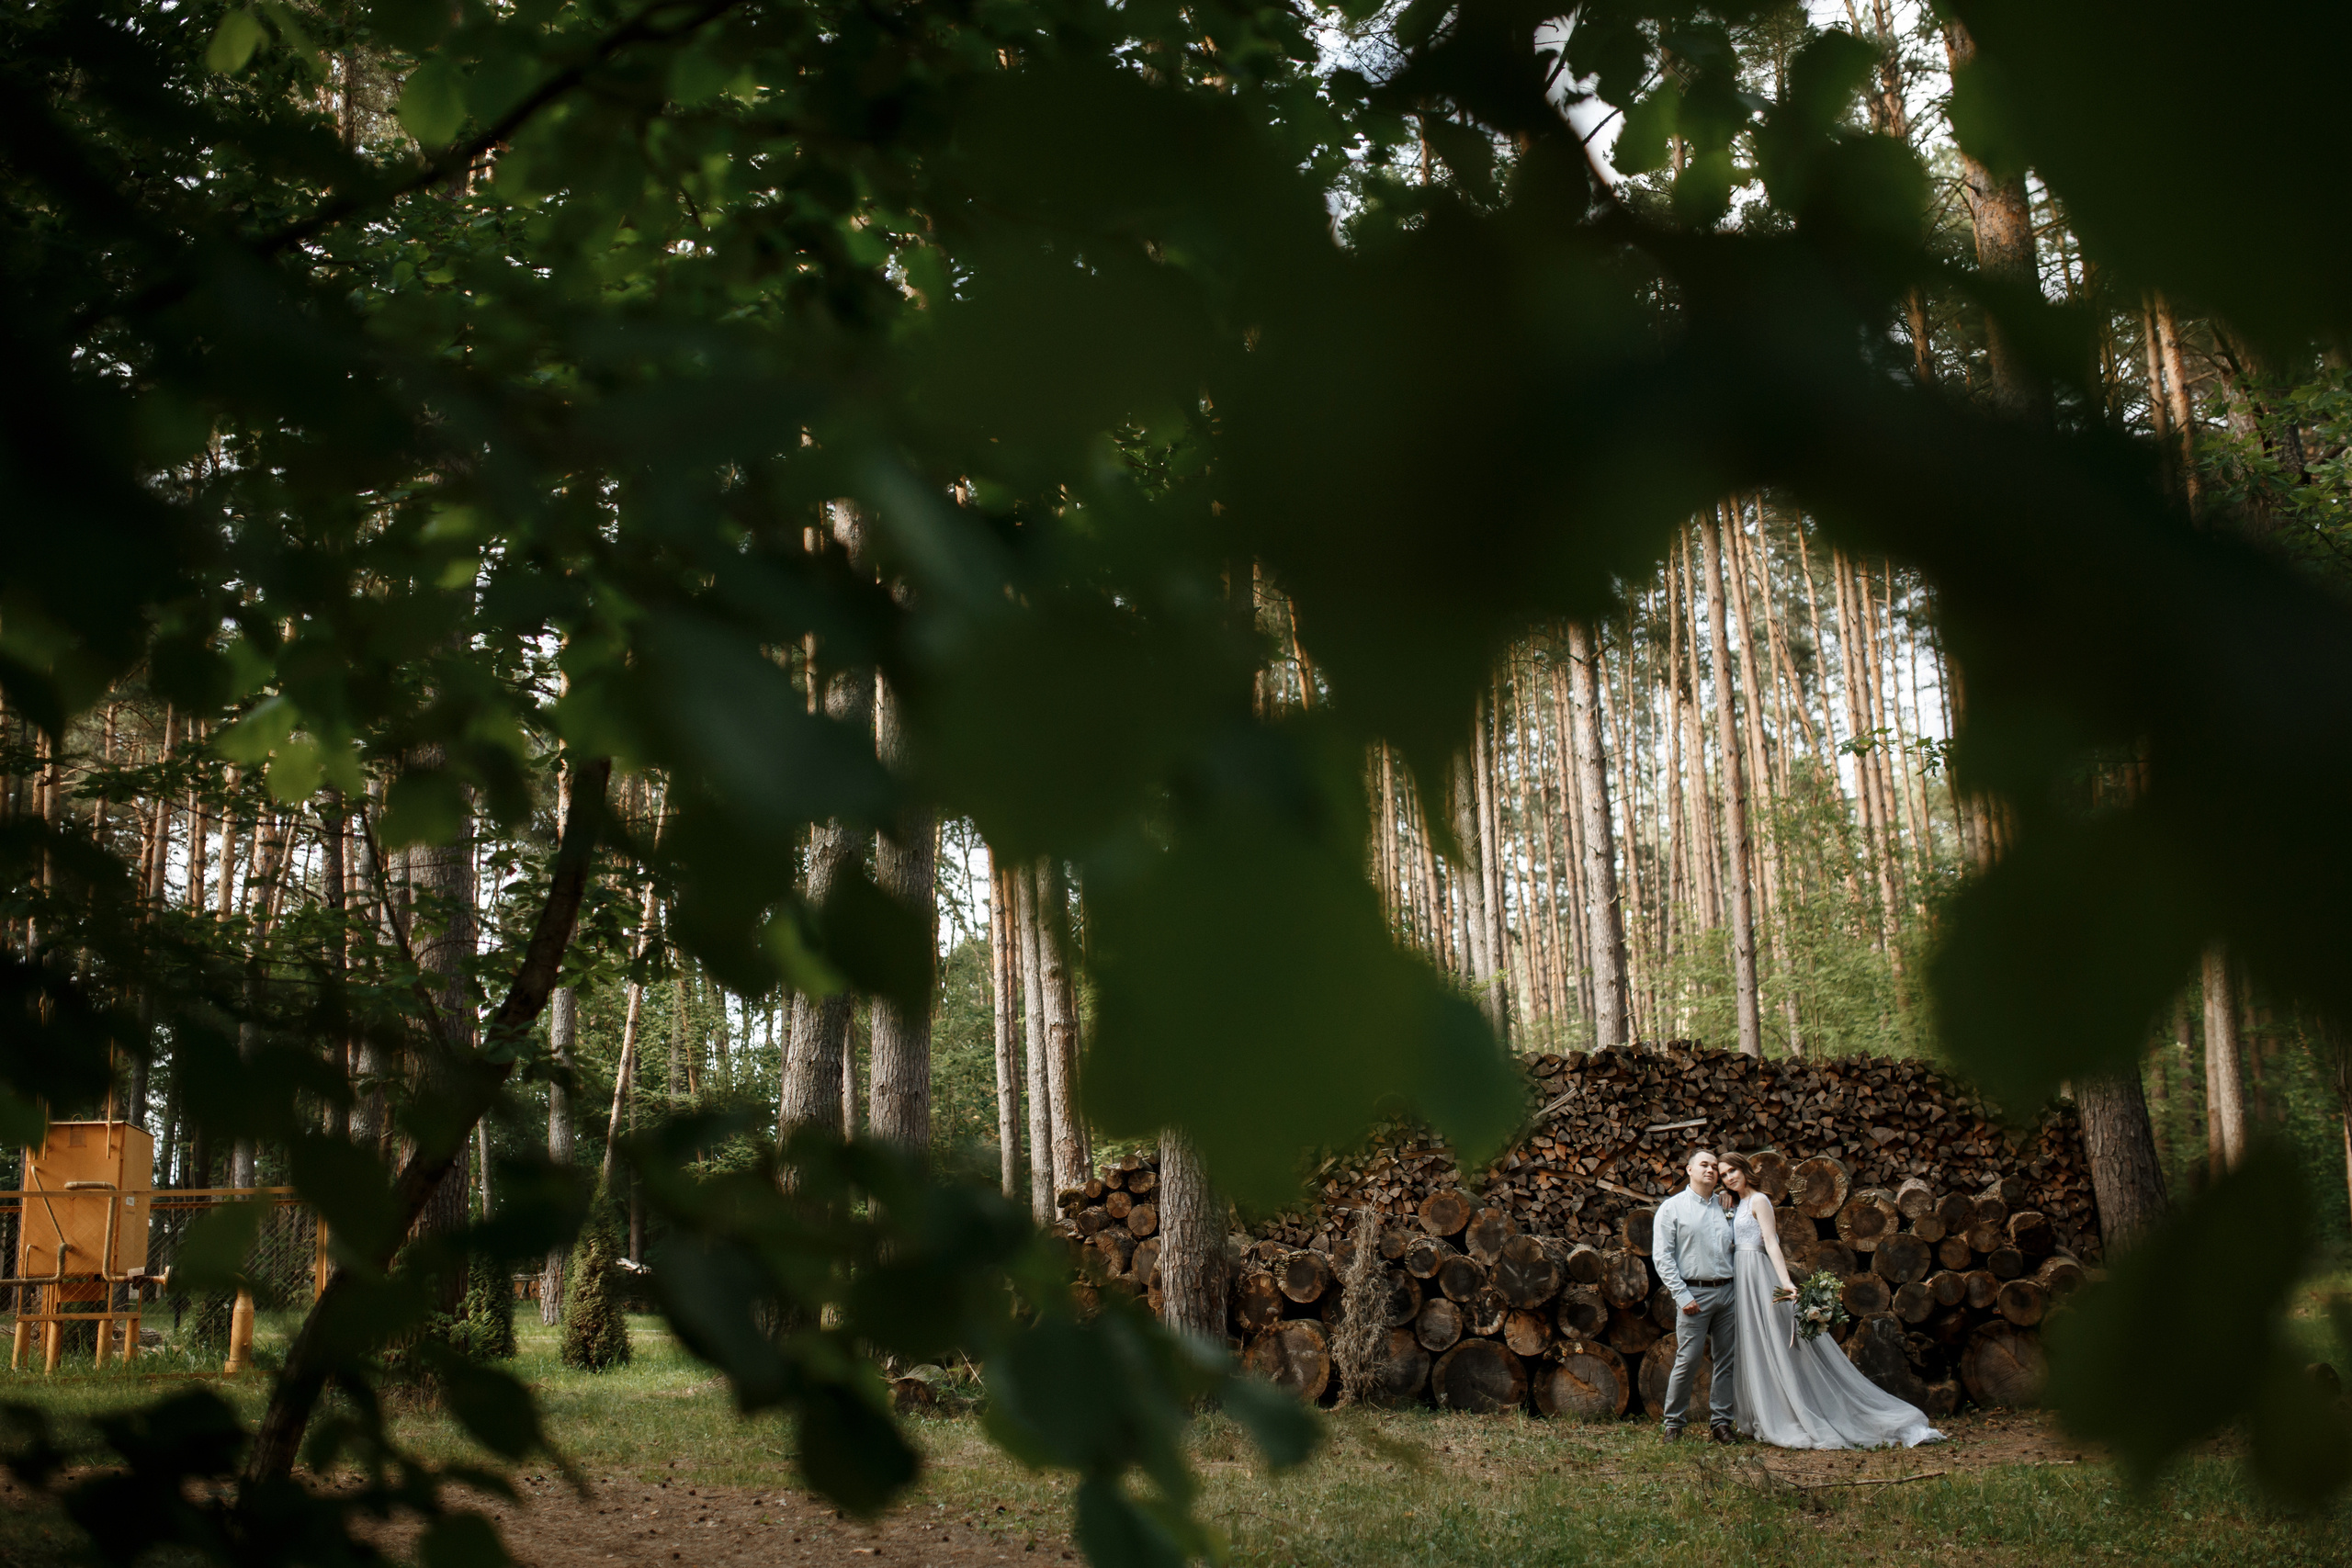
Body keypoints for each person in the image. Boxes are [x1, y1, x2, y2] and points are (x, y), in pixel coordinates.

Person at [1716, 1151, 1945, 1450]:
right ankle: (1762, 1410)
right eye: (1723, 1175)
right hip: (1739, 1276)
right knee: (1752, 1341)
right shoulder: (1736, 1202)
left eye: (1733, 1170)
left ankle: (1795, 1411)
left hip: (1758, 1272)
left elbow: (1771, 1241)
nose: (1730, 1177)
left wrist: (1785, 1281)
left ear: (1744, 1169)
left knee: (1774, 1338)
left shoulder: (1759, 1200)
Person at [1651, 1147, 1737, 1444]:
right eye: (1704, 1165)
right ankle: (1673, 1424)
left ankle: (1721, 1423)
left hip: (1728, 1293)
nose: (1711, 1170)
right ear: (1689, 1170)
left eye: (1715, 1166)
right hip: (1694, 1295)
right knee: (1687, 1360)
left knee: (1726, 1359)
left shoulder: (1727, 1206)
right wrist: (1681, 1294)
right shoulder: (1672, 1208)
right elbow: (1662, 1257)